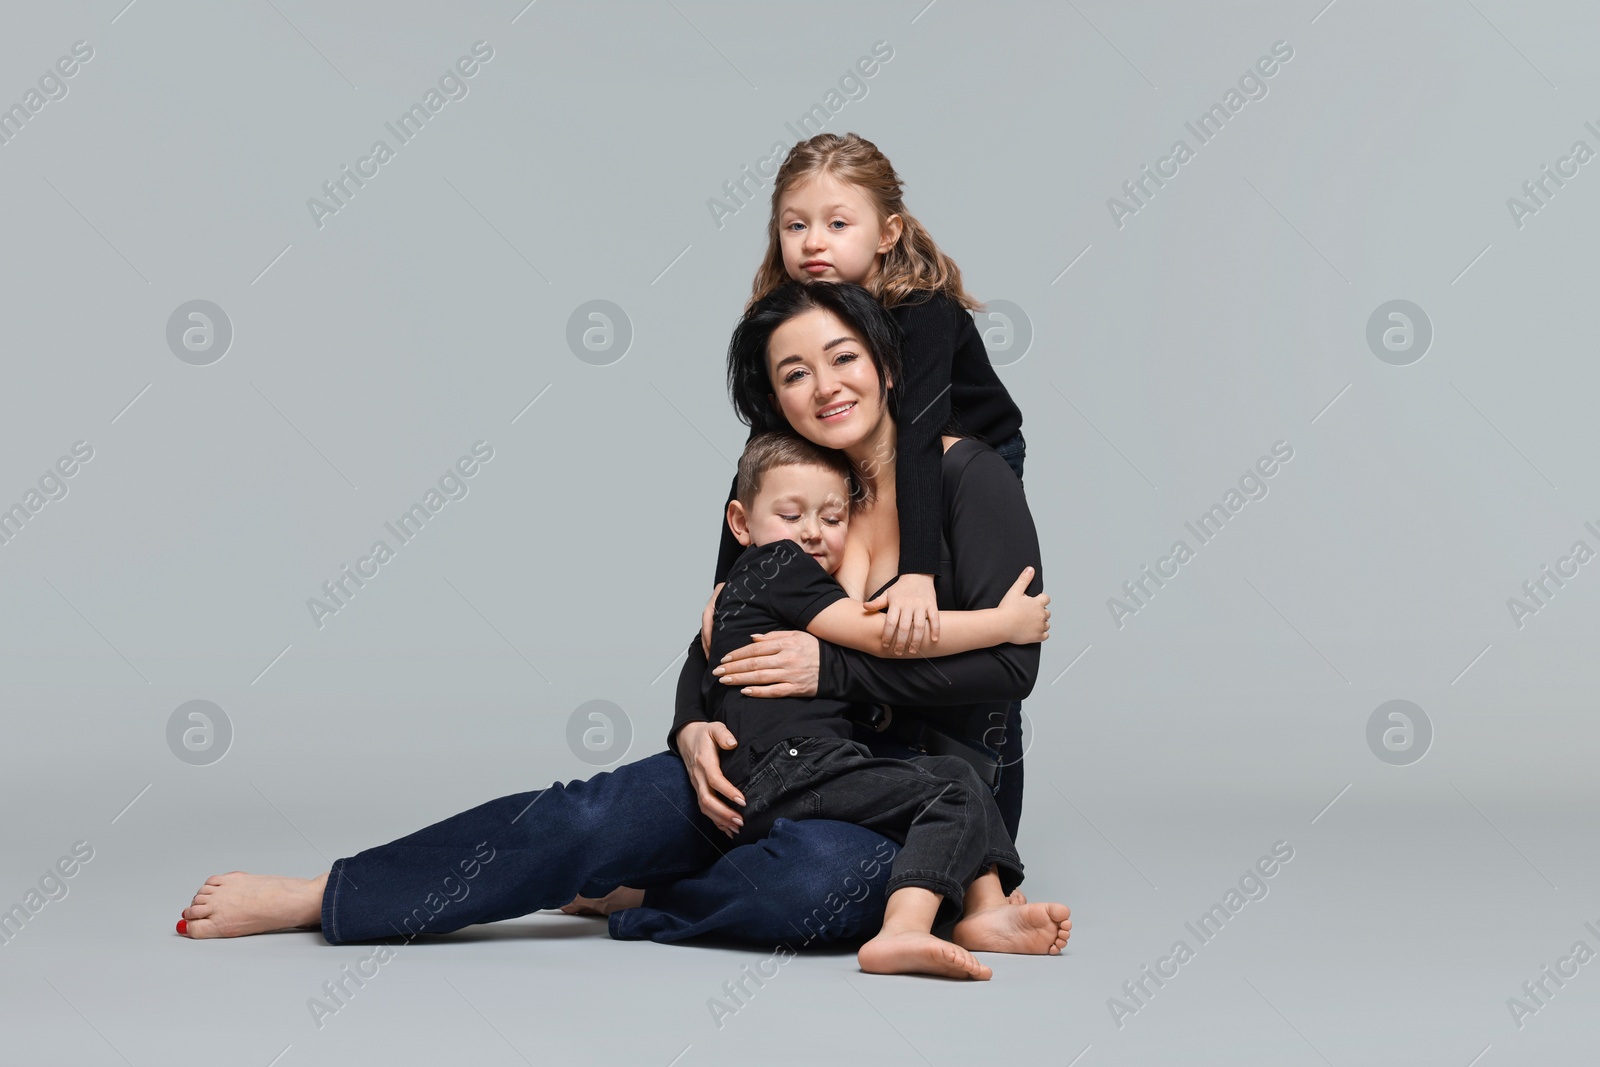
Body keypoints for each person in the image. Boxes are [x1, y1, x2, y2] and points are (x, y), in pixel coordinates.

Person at [175, 282, 1056, 953]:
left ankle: (639, 900)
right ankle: (326, 893)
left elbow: (1011, 669)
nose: (825, 386)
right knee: (584, 819)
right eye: (796, 372)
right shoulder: (788, 490)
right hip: (770, 751)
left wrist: (835, 672)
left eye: (844, 357)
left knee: (817, 888)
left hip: (913, 785)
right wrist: (692, 723)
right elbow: (720, 626)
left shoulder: (967, 476)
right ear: (776, 399)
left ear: (887, 365)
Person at [685, 425, 1065, 978]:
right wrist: (1004, 622)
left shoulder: (777, 568)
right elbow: (881, 633)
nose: (812, 534)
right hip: (789, 764)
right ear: (741, 522)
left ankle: (982, 912)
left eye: (832, 518)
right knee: (952, 789)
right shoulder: (780, 565)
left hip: (798, 759)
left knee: (950, 778)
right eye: (792, 518)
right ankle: (902, 931)